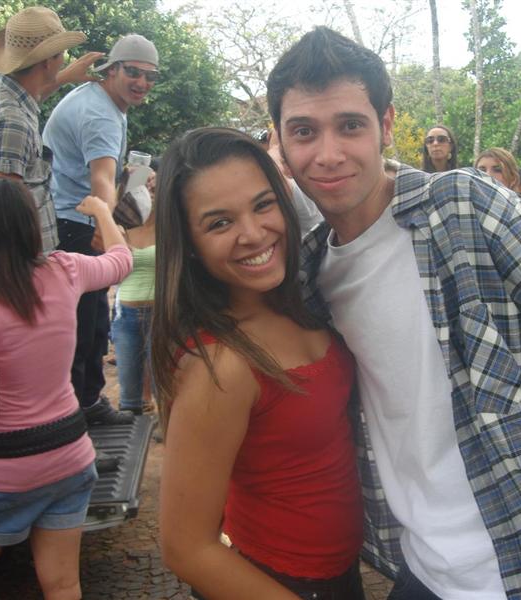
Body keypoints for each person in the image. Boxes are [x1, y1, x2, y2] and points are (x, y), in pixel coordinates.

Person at [267, 26, 521, 600]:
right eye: (304, 131)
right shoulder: (309, 271)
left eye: (350, 125)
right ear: (279, 141)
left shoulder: (463, 204)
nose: (328, 154)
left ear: (386, 125)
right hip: (421, 565)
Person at [153, 127, 365, 600]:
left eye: (263, 205)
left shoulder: (307, 299)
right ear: (190, 243)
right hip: (272, 582)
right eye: (219, 223)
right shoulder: (221, 365)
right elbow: (185, 548)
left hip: (340, 572)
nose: (252, 234)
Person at [0, 178, 131, 599]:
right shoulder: (65, 269)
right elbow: (120, 260)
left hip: (1, 470)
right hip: (70, 454)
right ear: (30, 225)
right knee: (63, 586)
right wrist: (101, 210)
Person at [43, 34, 159, 427]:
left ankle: (88, 402)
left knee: (93, 322)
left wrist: (131, 179)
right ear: (111, 70)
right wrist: (106, 224)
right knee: (79, 326)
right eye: (133, 72)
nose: (142, 82)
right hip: (74, 225)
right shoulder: (101, 115)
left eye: (150, 76)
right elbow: (101, 180)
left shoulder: (100, 102)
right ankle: (73, 416)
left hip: (70, 219)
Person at [0, 6, 102, 255]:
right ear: (48, 61)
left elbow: (30, 97)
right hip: (19, 262)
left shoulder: (1, 93)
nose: (64, 59)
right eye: (61, 54)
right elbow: (5, 213)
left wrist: (64, 77)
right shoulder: (12, 122)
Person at [111, 164, 156, 415]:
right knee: (129, 396)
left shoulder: (170, 225)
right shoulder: (120, 227)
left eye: (153, 187)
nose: (149, 193)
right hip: (126, 317)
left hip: (161, 315)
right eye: (143, 187)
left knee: (166, 389)